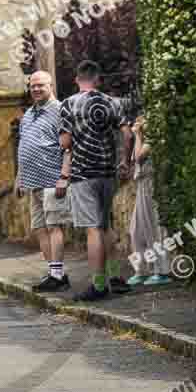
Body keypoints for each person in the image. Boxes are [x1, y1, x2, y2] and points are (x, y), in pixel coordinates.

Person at [59, 60, 134, 302]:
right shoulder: (111, 102)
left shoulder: (69, 104)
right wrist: (125, 161)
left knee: (93, 229)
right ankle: (114, 277)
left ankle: (98, 285)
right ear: (98, 79)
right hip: (107, 172)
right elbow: (127, 133)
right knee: (106, 226)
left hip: (82, 175)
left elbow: (65, 143)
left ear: (77, 79)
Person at [15, 70, 73, 291]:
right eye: (33, 86)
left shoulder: (60, 111)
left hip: (52, 179)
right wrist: (19, 177)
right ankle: (54, 273)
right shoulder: (28, 114)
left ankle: (57, 275)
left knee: (53, 226)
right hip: (31, 182)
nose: (36, 89)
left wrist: (64, 177)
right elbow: (23, 146)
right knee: (39, 228)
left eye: (41, 85)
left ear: (51, 86)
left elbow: (68, 147)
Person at [127, 115, 172, 286]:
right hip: (142, 186)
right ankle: (142, 270)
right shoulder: (144, 139)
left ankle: (161, 271)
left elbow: (138, 157)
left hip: (152, 185)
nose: (137, 124)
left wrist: (138, 135)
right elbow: (133, 159)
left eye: (140, 122)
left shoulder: (153, 139)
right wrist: (138, 136)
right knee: (136, 230)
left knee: (154, 228)